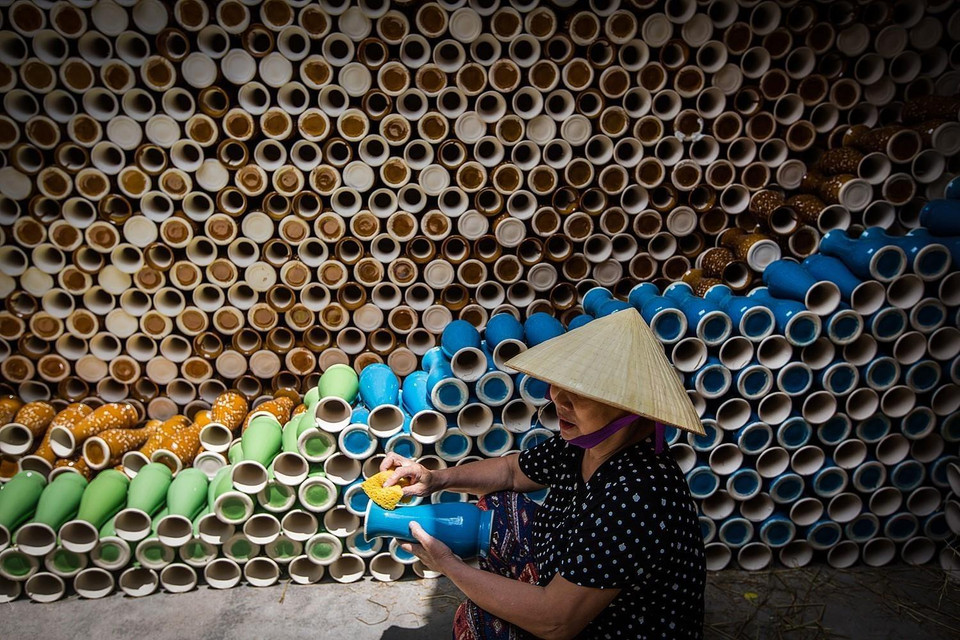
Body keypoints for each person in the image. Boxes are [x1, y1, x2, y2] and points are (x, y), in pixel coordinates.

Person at [381, 308, 707, 639]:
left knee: (483, 624)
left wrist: (450, 567)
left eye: (580, 392)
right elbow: (511, 471)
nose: (557, 399)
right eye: (561, 384)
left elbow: (557, 621)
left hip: (621, 627)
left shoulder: (637, 495)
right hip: (570, 576)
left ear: (630, 407)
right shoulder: (585, 442)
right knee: (499, 510)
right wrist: (436, 478)